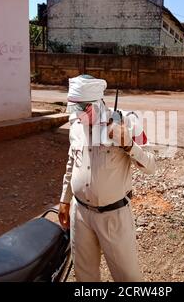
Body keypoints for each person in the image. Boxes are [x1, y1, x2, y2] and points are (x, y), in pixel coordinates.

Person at [58, 75, 156, 282]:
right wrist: (64, 200)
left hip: (114, 216)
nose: (78, 115)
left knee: (127, 276)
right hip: (80, 214)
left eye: (83, 109)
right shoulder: (76, 125)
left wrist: (128, 143)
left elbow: (151, 166)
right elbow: (71, 163)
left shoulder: (127, 121)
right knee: (84, 274)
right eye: (74, 109)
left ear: (97, 103)